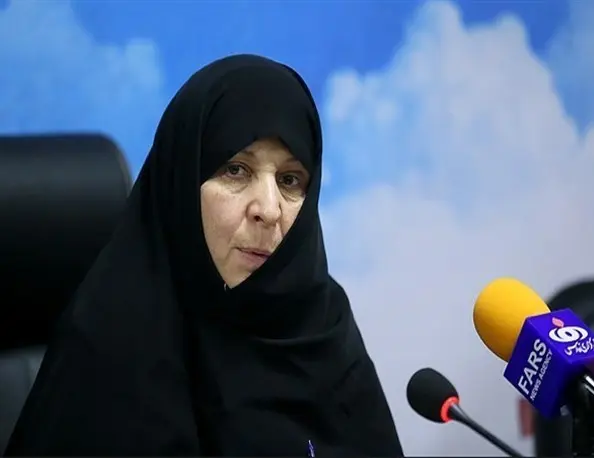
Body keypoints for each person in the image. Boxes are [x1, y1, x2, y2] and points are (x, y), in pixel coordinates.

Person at [4, 54, 403, 457]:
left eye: (289, 180)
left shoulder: (323, 326)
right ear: (182, 181)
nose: (269, 209)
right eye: (236, 170)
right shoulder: (111, 350)